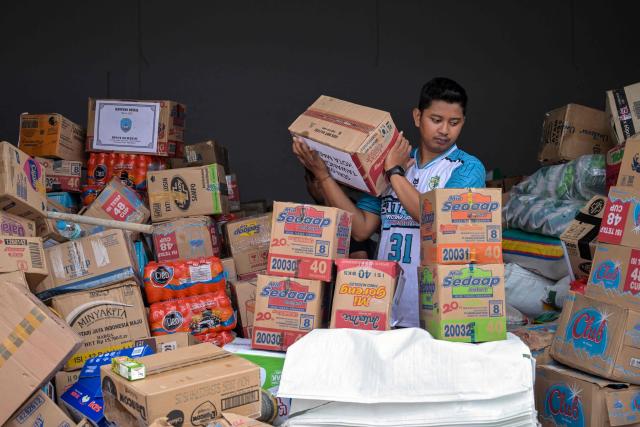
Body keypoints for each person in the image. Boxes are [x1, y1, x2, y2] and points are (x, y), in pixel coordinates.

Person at [292, 77, 486, 327]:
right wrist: (323, 176)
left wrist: (394, 172)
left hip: (441, 312)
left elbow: (439, 220)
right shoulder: (391, 164)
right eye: (436, 120)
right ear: (417, 117)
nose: (444, 130)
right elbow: (361, 228)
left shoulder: (467, 167)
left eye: (454, 122)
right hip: (386, 310)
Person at [304, 168, 378, 260]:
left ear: (317, 183)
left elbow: (359, 259)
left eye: (307, 180)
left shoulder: (345, 216)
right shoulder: (356, 210)